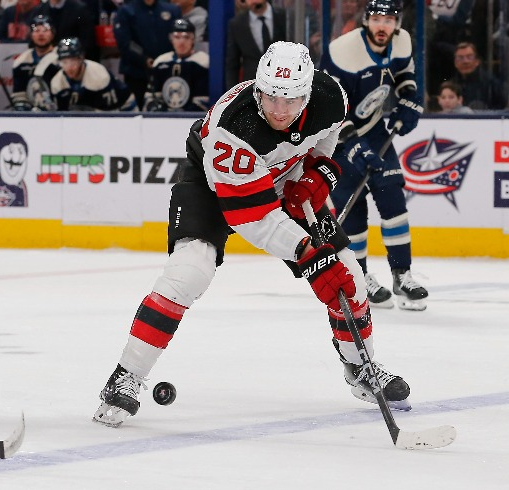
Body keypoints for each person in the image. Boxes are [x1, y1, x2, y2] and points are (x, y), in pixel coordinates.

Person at [93, 41, 412, 429]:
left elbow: (327, 137)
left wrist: (317, 173)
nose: (278, 110)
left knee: (351, 279)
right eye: (270, 97)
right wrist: (310, 254)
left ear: (307, 93)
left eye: (290, 100)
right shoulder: (234, 128)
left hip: (281, 176)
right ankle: (125, 375)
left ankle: (360, 366)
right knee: (188, 273)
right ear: (257, 87)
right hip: (213, 186)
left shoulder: (330, 96)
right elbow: (253, 220)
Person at [319, 0, 429, 311]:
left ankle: (402, 274)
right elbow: (328, 109)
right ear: (367, 20)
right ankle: (359, 277)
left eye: (390, 19)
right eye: (378, 18)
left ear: (397, 23)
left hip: (374, 128)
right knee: (353, 209)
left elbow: (404, 73)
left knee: (392, 194)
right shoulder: (342, 52)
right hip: (335, 138)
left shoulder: (401, 41)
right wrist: (352, 145)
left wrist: (409, 100)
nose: (383, 25)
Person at [113, 0, 181, 109]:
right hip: (136, 73)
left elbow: (177, 37)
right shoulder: (126, 11)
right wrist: (144, 59)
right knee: (136, 109)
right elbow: (125, 42)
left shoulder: (171, 10)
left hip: (166, 72)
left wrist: (164, 60)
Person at [49, 37, 135, 111]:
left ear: (81, 59)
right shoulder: (57, 84)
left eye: (73, 61)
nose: (69, 67)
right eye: (64, 62)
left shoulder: (99, 76)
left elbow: (110, 113)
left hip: (125, 108)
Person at [143, 18, 209, 113]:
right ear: (171, 39)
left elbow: (203, 102)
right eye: (177, 37)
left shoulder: (203, 62)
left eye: (186, 37)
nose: (181, 42)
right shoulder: (161, 62)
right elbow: (151, 98)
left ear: (193, 39)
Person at [225, 0, 287, 89]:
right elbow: (232, 64)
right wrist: (233, 95)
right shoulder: (237, 24)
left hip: (283, 82)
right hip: (253, 86)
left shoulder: (284, 16)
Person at [10, 14, 60, 111]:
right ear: (31, 34)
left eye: (45, 30)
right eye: (36, 31)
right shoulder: (21, 61)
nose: (41, 34)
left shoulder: (61, 59)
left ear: (53, 34)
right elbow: (19, 94)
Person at [450, 41, 507, 111]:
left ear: (477, 61)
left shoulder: (491, 84)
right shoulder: (451, 85)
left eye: (469, 57)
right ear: (455, 63)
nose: (465, 61)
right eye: (460, 58)